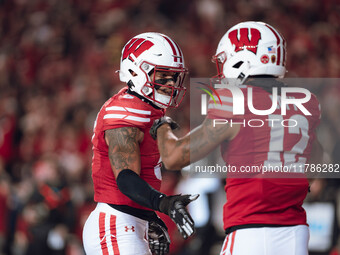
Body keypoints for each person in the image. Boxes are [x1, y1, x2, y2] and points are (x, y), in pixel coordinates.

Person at [151, 21, 323, 255]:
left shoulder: (234, 100)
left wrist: (161, 124)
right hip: (295, 232)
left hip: (251, 231)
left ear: (243, 59)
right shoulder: (306, 102)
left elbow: (173, 157)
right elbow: (317, 156)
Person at [82, 32, 198, 255]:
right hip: (115, 225)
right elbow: (125, 177)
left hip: (130, 223)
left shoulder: (148, 109)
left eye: (174, 76)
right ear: (136, 71)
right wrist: (163, 204)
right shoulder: (124, 110)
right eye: (163, 76)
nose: (171, 83)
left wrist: (149, 216)